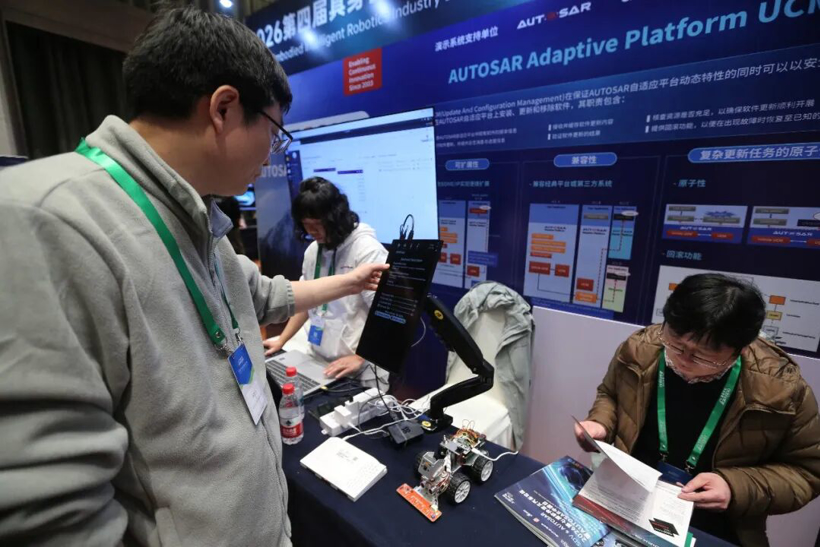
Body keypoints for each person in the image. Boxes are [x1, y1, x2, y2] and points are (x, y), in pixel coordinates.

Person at [0, 7, 387, 547]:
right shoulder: (45, 221)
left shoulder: (200, 222)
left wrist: (354, 280)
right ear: (224, 109)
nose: (272, 154)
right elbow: (52, 513)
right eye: (274, 132)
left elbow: (264, 296)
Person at [574, 273, 820, 546]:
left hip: (715, 524)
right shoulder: (640, 348)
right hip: (629, 498)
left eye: (702, 356)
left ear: (740, 350)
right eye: (675, 343)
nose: (683, 359)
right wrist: (601, 423)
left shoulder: (781, 389)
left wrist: (735, 487)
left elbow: (808, 472)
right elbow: (610, 394)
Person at [263, 177, 389, 386]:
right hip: (319, 360)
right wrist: (282, 339)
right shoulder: (314, 250)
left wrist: (360, 358)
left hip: (360, 368)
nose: (311, 232)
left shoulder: (367, 250)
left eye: (317, 224)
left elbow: (384, 315)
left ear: (335, 218)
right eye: (306, 225)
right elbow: (306, 302)